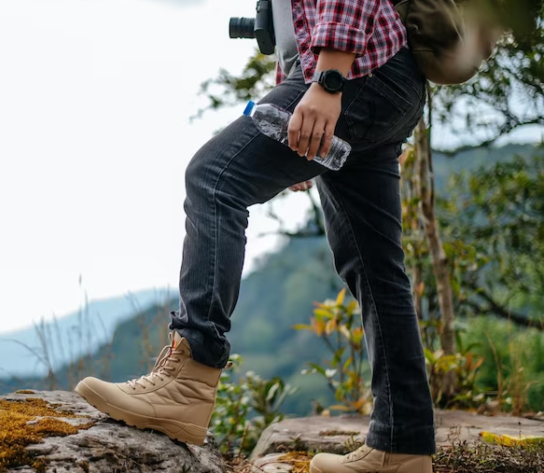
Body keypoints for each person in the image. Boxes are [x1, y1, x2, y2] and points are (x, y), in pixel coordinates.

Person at [75, 0, 436, 471]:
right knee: (373, 266)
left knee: (214, 178)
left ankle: (187, 381)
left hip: (358, 71)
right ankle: (402, 444)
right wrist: (300, 91)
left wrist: (327, 83)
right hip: (386, 76)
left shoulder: (339, 74)